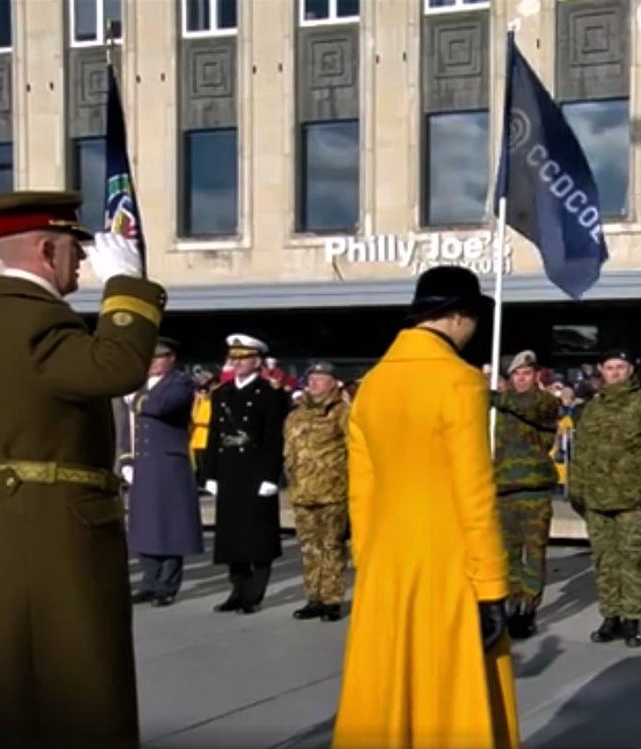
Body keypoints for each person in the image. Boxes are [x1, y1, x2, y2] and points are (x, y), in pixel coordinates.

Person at [0, 190, 165, 749]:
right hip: (55, 532)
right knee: (76, 684)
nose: (85, 259)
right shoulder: (36, 322)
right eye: (75, 247)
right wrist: (128, 290)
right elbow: (116, 367)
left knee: (10, 683)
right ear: (46, 248)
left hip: (7, 524)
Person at [332, 266, 519, 749]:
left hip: (387, 565)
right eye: (473, 319)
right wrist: (492, 584)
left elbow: (363, 491)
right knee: (452, 698)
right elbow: (474, 491)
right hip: (450, 565)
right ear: (458, 316)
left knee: (388, 693)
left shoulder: (371, 385)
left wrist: (369, 563)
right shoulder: (458, 381)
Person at [570, 349, 641, 648]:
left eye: (620, 367)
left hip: (632, 498)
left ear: (630, 371)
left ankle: (631, 619)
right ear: (601, 370)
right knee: (604, 560)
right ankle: (610, 616)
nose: (614, 373)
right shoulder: (593, 407)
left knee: (632, 560)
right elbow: (582, 452)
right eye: (609, 367)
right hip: (596, 498)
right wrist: (576, 489)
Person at [201, 334, 288, 615]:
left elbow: (274, 437)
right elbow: (214, 436)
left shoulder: (270, 394)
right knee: (231, 537)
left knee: (258, 537)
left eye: (243, 358)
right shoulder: (222, 394)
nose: (237, 363)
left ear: (257, 361)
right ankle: (237, 590)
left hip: (255, 470)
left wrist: (270, 477)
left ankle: (254, 594)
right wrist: (210, 473)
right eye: (233, 358)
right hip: (229, 471)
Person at [117, 337, 204, 608]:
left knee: (169, 525)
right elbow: (126, 425)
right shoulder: (141, 386)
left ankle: (167, 585)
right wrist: (126, 459)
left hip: (168, 463)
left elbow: (162, 407)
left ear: (171, 359)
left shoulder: (180, 382)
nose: (153, 363)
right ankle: (150, 581)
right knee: (145, 525)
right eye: (150, 357)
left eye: (158, 357)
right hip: (144, 463)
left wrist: (137, 400)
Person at [491, 349, 561, 640]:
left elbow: (530, 407)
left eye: (527, 374)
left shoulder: (543, 401)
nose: (522, 379)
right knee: (508, 552)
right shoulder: (501, 408)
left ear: (536, 377)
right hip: (504, 488)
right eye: (517, 374)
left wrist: (494, 396)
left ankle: (528, 608)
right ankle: (511, 603)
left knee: (533, 551)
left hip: (534, 490)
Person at [283, 360, 351, 622]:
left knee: (332, 546)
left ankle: (332, 600)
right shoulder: (296, 413)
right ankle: (313, 598)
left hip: (332, 491)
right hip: (302, 491)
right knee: (309, 548)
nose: (314, 382)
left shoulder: (342, 411)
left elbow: (354, 448)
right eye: (311, 378)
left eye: (321, 378)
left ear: (334, 383)